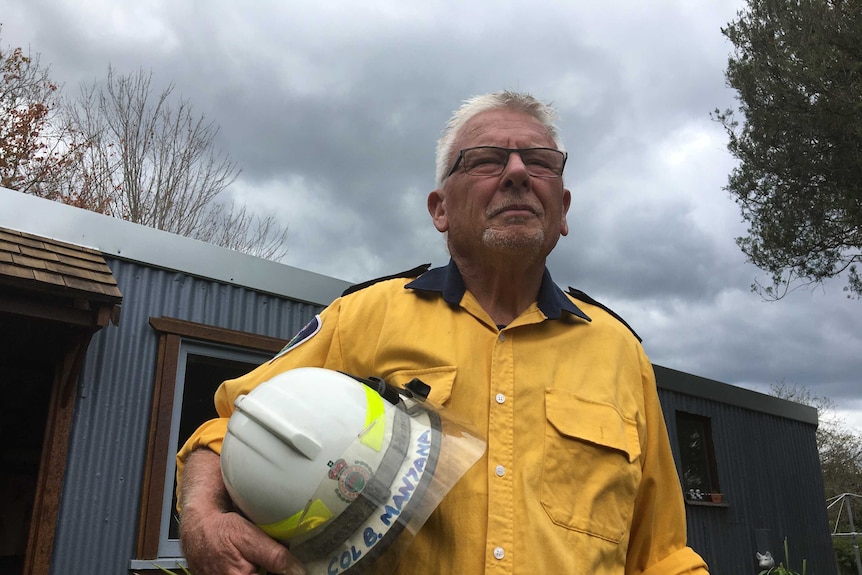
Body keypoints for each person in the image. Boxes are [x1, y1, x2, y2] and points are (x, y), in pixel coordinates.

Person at [176, 90, 710, 575]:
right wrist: (201, 516)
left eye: (540, 161)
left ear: (563, 210)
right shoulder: (363, 317)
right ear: (440, 210)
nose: (518, 173)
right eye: (486, 160)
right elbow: (232, 425)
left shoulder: (621, 353)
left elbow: (661, 555)